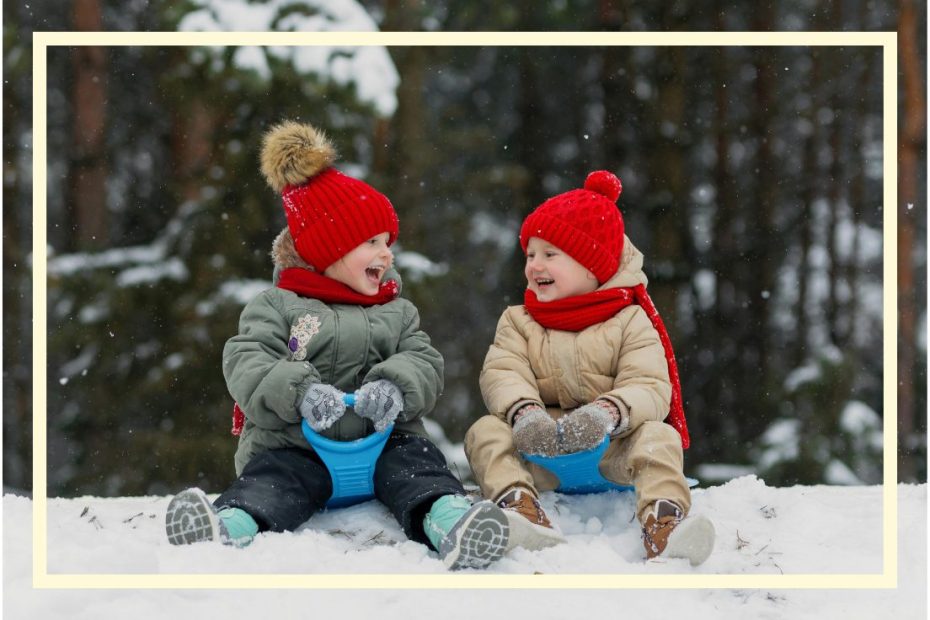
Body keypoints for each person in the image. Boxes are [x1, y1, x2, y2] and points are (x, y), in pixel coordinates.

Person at [165, 121, 509, 570]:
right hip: (296, 447)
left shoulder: (395, 310)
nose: (386, 254)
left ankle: (453, 524)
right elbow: (247, 362)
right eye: (371, 242)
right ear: (327, 250)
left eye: (388, 243)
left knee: (420, 468)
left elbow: (424, 360)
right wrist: (301, 392)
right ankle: (225, 528)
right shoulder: (278, 306)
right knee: (270, 483)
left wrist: (394, 386)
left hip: (383, 442)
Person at [465, 170, 715, 566]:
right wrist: (525, 413)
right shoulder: (518, 320)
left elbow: (649, 384)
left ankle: (664, 519)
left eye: (550, 254)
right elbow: (502, 372)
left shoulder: (630, 320)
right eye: (530, 254)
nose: (534, 265)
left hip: (612, 453)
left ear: (591, 265)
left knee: (657, 435)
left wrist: (608, 413)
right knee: (485, 432)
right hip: (541, 449)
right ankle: (518, 505)